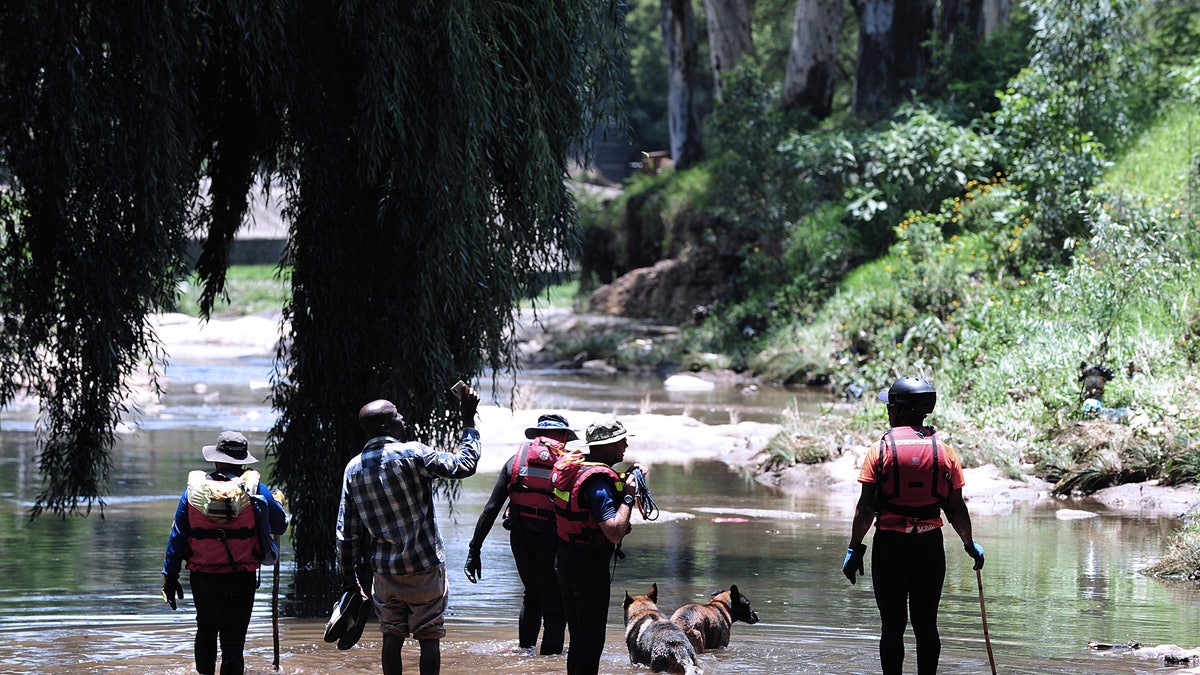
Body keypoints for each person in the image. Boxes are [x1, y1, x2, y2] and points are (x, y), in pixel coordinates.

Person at [842, 376, 985, 675]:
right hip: (929, 548)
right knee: (926, 625)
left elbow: (866, 507)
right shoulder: (945, 453)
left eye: (891, 406)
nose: (888, 412)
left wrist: (854, 548)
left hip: (890, 548)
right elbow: (956, 508)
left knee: (892, 626)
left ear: (901, 411)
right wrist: (969, 544)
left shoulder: (878, 451)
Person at [337, 388, 482, 675]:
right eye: (398, 417)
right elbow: (465, 465)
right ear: (385, 426)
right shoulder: (413, 453)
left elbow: (347, 533)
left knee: (391, 635)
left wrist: (350, 580)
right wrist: (468, 422)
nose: (404, 420)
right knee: (429, 636)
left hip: (385, 572)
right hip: (424, 566)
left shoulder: (353, 468)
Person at [161, 430, 289, 675]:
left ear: (216, 459)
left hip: (203, 577)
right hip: (241, 577)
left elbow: (177, 536)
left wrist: (170, 576)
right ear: (242, 461)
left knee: (206, 630)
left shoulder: (194, 491)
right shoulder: (256, 489)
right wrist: (277, 503)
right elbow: (280, 526)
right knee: (233, 643)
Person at [464, 413, 575, 654]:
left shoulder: (515, 461)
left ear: (536, 436)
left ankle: (525, 656)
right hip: (554, 540)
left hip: (522, 539)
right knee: (555, 606)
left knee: (532, 595)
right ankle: (548, 666)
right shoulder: (570, 465)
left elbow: (491, 509)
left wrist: (474, 550)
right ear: (564, 437)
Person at [551, 418, 643, 675]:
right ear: (606, 446)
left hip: (566, 560)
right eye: (620, 441)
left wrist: (627, 477)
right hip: (588, 567)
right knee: (591, 642)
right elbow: (614, 532)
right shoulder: (598, 482)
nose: (626, 444)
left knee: (579, 639)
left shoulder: (579, 469)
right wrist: (628, 496)